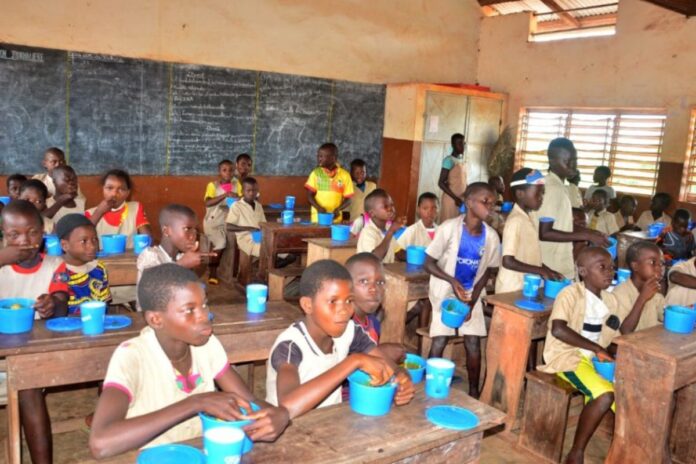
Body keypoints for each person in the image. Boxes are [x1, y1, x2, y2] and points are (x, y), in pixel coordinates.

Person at [88, 264, 289, 458]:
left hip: (199, 454)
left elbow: (249, 402)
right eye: (189, 310)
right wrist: (196, 402)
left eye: (204, 304)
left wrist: (279, 414)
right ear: (156, 319)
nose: (204, 316)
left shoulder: (207, 345)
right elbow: (101, 443)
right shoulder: (132, 356)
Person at [265, 260, 414, 417]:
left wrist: (402, 377)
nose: (344, 311)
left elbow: (388, 365)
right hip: (292, 433)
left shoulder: (349, 330)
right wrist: (354, 361)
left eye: (349, 300)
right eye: (333, 301)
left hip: (330, 422)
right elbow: (288, 405)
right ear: (308, 305)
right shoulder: (290, 346)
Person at [0, 200, 69, 464]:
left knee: (28, 385)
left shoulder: (55, 265)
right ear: (3, 236)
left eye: (32, 232)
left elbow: (62, 300)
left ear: (43, 234)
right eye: (13, 235)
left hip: (30, 355)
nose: (24, 241)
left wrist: (54, 304)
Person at [539, 247, 619, 464]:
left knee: (628, 398)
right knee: (604, 395)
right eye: (602, 267)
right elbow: (558, 329)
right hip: (568, 357)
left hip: (594, 360)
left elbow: (613, 337)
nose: (609, 272)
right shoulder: (570, 294)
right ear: (583, 271)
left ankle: (623, 453)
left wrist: (608, 354)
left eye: (612, 267)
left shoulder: (610, 301)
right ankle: (576, 453)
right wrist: (597, 350)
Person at [424, 182, 501, 398]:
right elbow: (428, 263)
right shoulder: (448, 228)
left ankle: (474, 393)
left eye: (493, 203)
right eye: (485, 202)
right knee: (439, 339)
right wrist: (451, 281)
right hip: (445, 292)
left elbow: (489, 271)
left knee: (473, 342)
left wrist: (472, 301)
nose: (490, 207)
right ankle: (427, 389)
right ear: (468, 202)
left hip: (472, 294)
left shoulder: (492, 237)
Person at [531, 138, 608, 280]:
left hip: (554, 264)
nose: (573, 165)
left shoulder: (560, 186)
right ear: (553, 161)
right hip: (550, 266)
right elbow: (545, 232)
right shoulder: (553, 189)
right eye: (567, 161)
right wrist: (586, 236)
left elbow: (560, 224)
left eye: (575, 160)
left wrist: (589, 231)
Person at [495, 168, 563, 294]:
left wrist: (547, 270)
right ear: (520, 194)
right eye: (537, 194)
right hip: (510, 289)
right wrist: (541, 271)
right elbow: (508, 261)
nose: (541, 198)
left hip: (524, 286)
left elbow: (529, 258)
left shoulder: (529, 217)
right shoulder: (515, 221)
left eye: (542, 193)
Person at [137, 204, 214, 284]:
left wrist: (202, 264)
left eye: (195, 230)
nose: (193, 236)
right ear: (166, 231)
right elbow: (149, 285)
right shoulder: (151, 255)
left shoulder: (181, 257)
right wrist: (182, 264)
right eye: (187, 229)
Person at [53, 214, 111, 315]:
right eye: (84, 241)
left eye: (95, 239)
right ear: (65, 245)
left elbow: (104, 304)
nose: (92, 246)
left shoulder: (99, 268)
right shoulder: (57, 272)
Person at [86, 169, 152, 249]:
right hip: (101, 260)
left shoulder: (135, 208)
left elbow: (147, 239)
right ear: (103, 189)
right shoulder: (90, 213)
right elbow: (83, 238)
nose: (114, 194)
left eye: (121, 189)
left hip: (129, 260)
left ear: (128, 193)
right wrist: (99, 212)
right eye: (110, 188)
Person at [612, 242, 664, 333]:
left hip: (649, 342)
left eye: (661, 263)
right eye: (652, 262)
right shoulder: (620, 293)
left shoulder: (655, 292)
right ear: (635, 266)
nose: (659, 268)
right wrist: (642, 298)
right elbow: (625, 330)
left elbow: (663, 317)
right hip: (629, 345)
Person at [202, 159, 236, 285]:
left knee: (236, 241)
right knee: (221, 243)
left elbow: (241, 198)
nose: (228, 173)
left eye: (231, 170)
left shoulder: (237, 184)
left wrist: (237, 197)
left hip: (228, 222)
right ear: (219, 172)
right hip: (213, 223)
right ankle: (213, 271)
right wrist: (225, 195)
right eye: (224, 170)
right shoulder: (212, 185)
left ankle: (230, 272)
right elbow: (207, 202)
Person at [305, 143, 354, 224]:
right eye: (318, 156)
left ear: (333, 158)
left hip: (335, 219)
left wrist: (339, 209)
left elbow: (348, 199)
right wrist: (318, 208)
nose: (318, 159)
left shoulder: (345, 175)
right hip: (317, 218)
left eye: (321, 156)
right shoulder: (315, 173)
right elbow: (309, 196)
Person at [356, 189, 406, 264]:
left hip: (385, 273)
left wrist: (419, 258)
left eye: (392, 205)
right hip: (369, 274)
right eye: (385, 206)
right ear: (372, 213)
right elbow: (374, 259)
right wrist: (391, 232)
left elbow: (398, 252)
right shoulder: (368, 232)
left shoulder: (387, 227)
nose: (391, 209)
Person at [226, 177, 266, 258]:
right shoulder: (236, 206)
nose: (251, 193)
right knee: (267, 251)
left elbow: (264, 223)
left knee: (283, 253)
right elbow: (229, 226)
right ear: (242, 192)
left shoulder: (258, 206)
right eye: (248, 190)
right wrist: (249, 228)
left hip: (259, 237)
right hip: (246, 240)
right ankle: (267, 267)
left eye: (254, 190)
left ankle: (270, 267)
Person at [396, 192, 439, 257]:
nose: (430, 212)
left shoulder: (441, 231)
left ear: (438, 210)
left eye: (434, 208)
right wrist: (415, 257)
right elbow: (398, 252)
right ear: (418, 210)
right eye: (425, 208)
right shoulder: (412, 230)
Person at [438, 133, 467, 221]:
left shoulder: (463, 161)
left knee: (458, 227)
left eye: (463, 143)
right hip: (451, 200)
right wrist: (455, 198)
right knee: (448, 226)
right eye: (459, 144)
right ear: (453, 145)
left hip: (461, 200)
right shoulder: (449, 161)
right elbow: (441, 183)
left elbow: (463, 180)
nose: (462, 146)